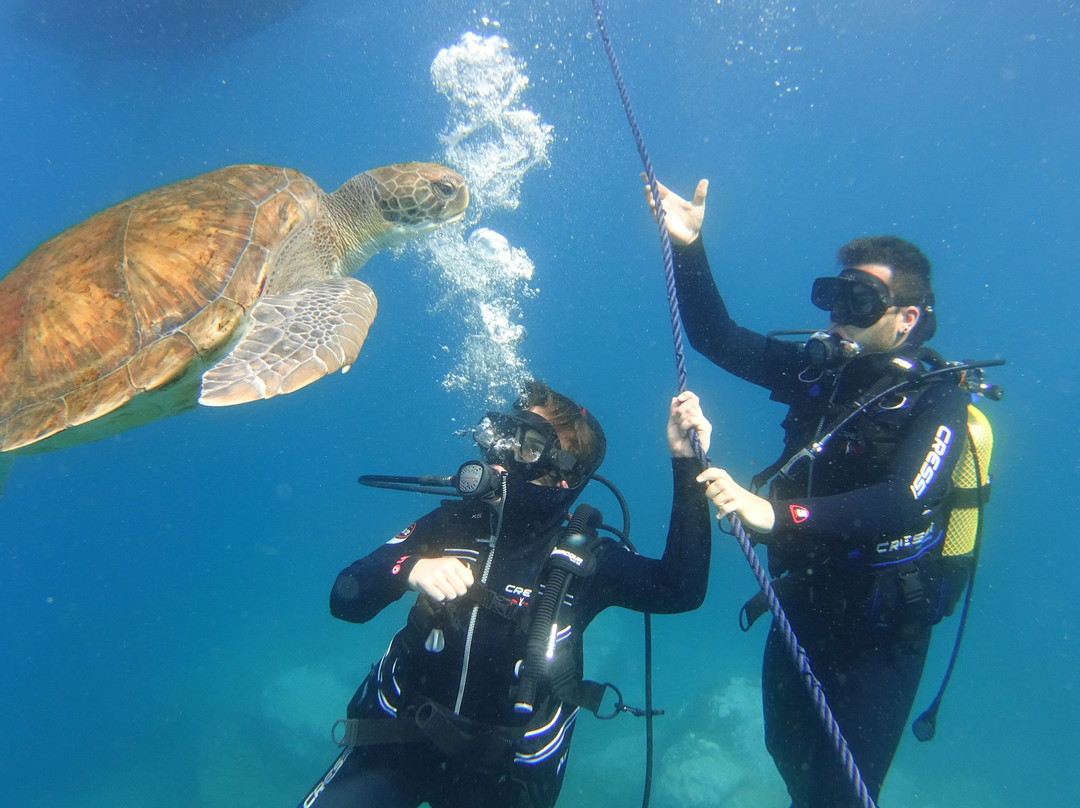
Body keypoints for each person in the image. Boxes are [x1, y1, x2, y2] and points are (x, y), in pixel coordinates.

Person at [646, 177, 971, 807]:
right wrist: (688, 247)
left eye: (862, 299)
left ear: (908, 318)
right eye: (836, 295)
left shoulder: (938, 399)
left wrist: (777, 513)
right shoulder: (819, 374)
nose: (839, 314)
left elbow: (905, 499)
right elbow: (716, 336)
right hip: (802, 600)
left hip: (881, 625)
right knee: (790, 756)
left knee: (841, 793)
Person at [298, 381, 714, 808]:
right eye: (504, 434)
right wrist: (408, 568)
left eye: (529, 446)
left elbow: (679, 589)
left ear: (564, 476)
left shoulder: (588, 559)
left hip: (501, 777)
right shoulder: (451, 523)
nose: (501, 454)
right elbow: (345, 599)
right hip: (395, 741)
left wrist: (687, 462)